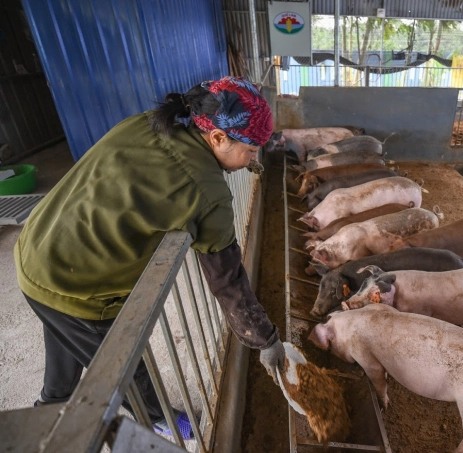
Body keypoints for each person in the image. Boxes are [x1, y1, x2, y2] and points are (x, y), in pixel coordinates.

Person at [14, 76, 285, 439]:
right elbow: (229, 282)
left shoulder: (148, 123)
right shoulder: (209, 194)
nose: (254, 160)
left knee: (64, 331)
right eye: (252, 151)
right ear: (219, 137)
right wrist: (266, 340)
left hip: (39, 246)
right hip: (78, 283)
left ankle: (50, 405)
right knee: (120, 362)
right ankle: (158, 418)